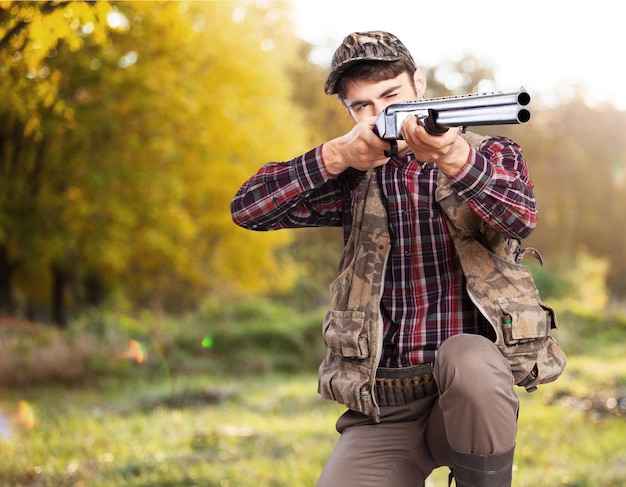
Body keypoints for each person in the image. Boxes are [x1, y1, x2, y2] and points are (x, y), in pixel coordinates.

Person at [231, 31, 536, 487]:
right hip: (384, 404)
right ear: (350, 113)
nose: (381, 115)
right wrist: (335, 155)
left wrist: (454, 157)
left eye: (391, 96)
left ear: (419, 82)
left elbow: (520, 216)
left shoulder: (489, 153)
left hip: (470, 396)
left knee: (470, 357)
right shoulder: (352, 176)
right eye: (363, 106)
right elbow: (248, 209)